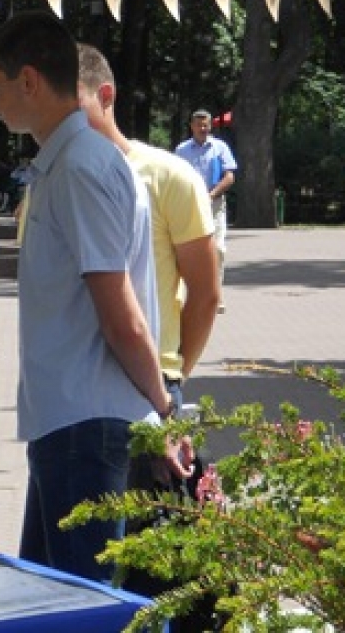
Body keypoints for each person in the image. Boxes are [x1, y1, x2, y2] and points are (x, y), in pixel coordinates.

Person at [0, 10, 174, 582]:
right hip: (72, 422)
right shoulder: (70, 163)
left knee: (85, 606)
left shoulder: (80, 168)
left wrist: (165, 411)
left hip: (84, 425)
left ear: (29, 81)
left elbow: (120, 314)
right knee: (52, 600)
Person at [78, 42, 222, 631]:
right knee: (90, 568)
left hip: (148, 393)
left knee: (154, 573)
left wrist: (172, 373)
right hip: (77, 400)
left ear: (105, 96)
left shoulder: (168, 175)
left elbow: (205, 292)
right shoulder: (51, 180)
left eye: (72, 104)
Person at [175, 109, 237, 312]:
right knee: (188, 250)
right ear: (191, 126)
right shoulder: (181, 150)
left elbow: (229, 176)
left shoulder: (220, 148)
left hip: (215, 205)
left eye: (206, 125)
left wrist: (211, 195)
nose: (203, 128)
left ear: (210, 126)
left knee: (218, 249)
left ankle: (216, 297)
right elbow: (175, 178)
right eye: (199, 125)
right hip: (189, 205)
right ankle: (187, 297)